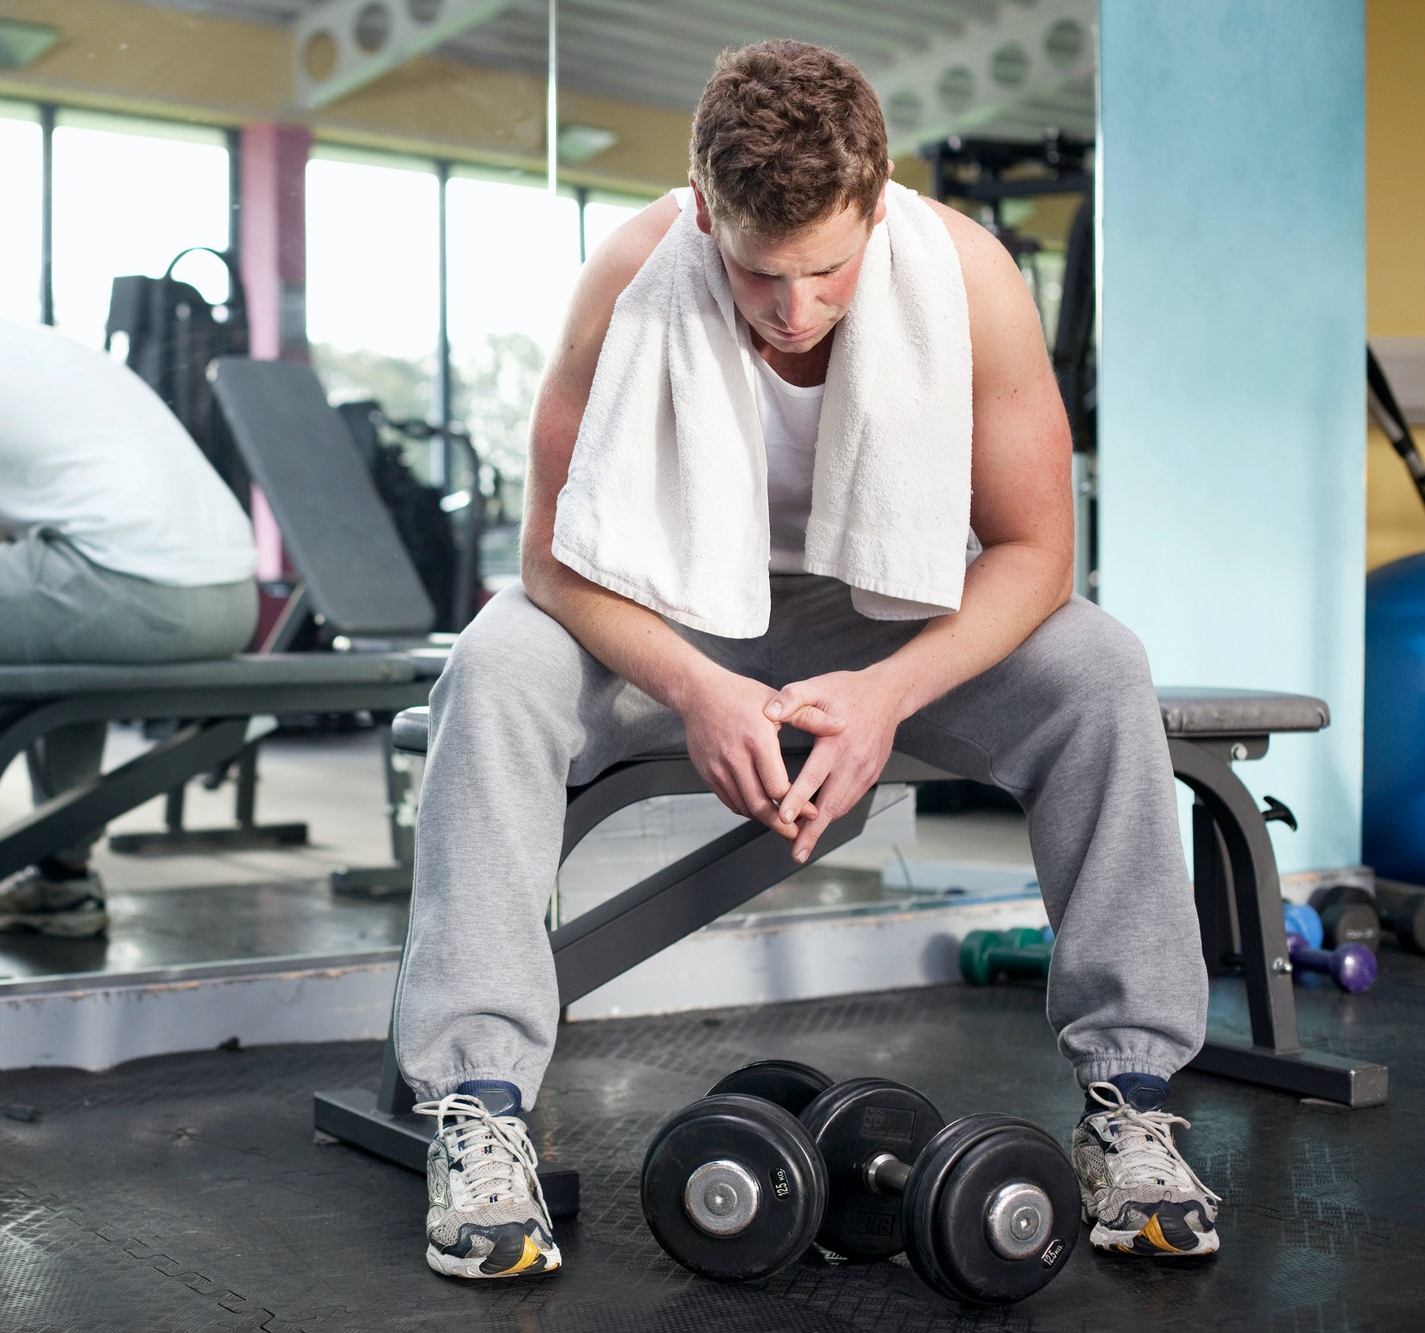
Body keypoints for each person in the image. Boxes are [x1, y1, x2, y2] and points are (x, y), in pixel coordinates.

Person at [396, 40, 1219, 1281]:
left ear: (877, 204)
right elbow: (553, 560)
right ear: (701, 215)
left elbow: (1036, 552)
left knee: (1099, 666)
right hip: (668, 613)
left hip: (879, 614)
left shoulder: (969, 277)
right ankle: (477, 1104)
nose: (793, 310)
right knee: (498, 658)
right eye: (756, 272)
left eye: (827, 269)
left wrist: (889, 691)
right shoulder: (630, 273)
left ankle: (1133, 1098)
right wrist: (691, 682)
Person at [0, 267, 258, 936]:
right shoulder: (10, 347)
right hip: (226, 601)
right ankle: (62, 884)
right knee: (47, 620)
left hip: (130, 587)